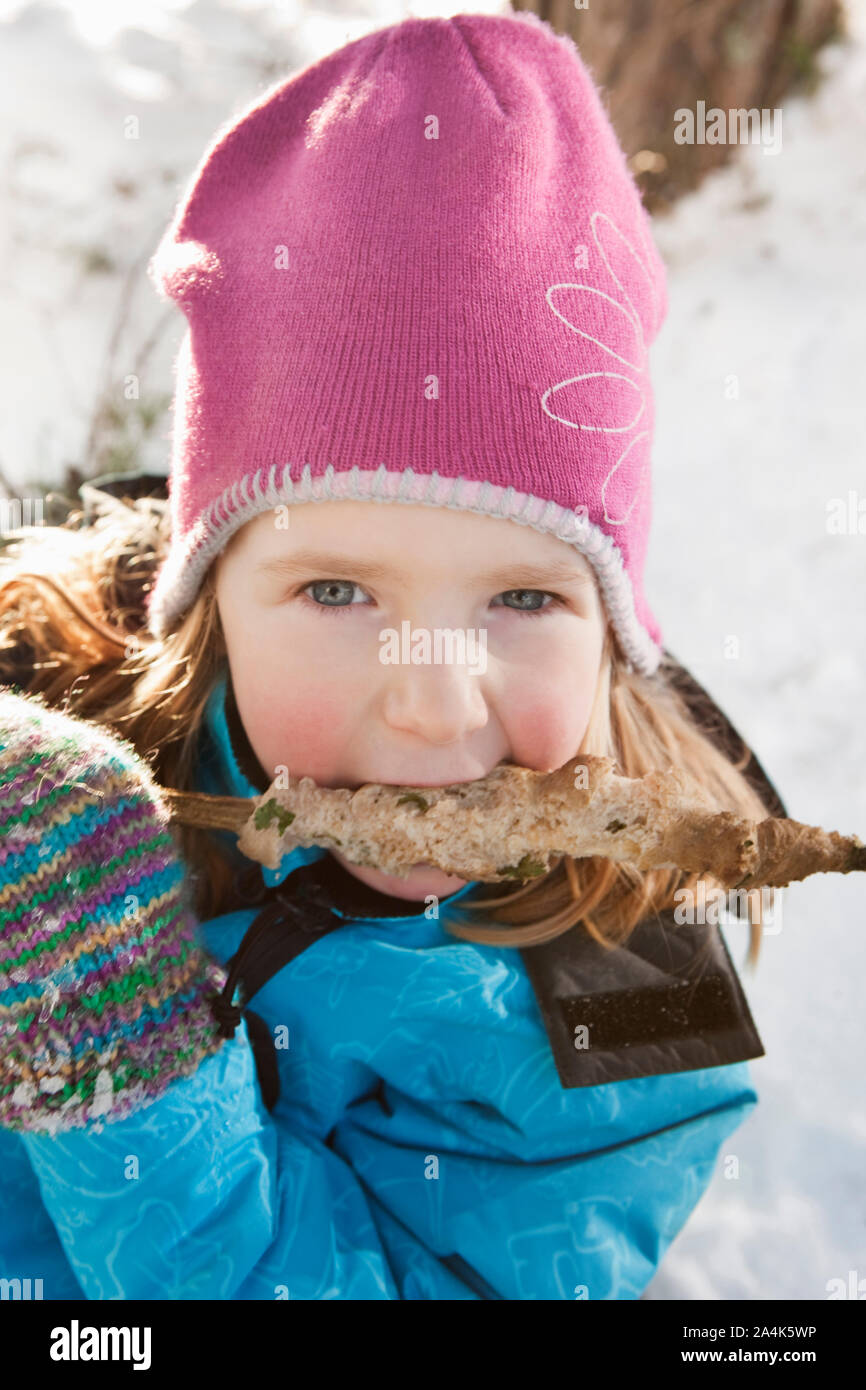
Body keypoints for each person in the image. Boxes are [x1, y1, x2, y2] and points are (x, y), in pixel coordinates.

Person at [0, 11, 783, 1301]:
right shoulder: (61, 676)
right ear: (211, 596)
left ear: (614, 626)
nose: (431, 704)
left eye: (525, 599)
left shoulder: (630, 1007)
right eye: (338, 589)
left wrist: (127, 1064)